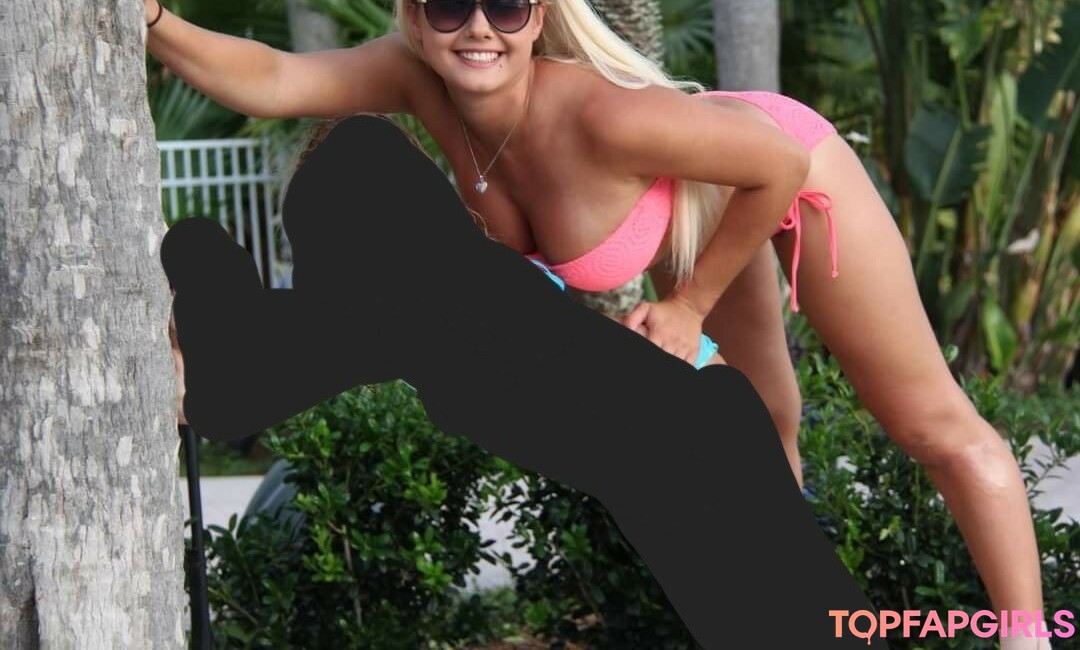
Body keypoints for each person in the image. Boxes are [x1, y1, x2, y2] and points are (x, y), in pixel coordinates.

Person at [145, 0, 1051, 643]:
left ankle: (1027, 636)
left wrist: (687, 305)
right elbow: (271, 77)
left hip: (779, 169)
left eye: (506, 5)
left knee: (933, 429)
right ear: (415, 19)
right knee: (766, 429)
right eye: (451, 5)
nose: (478, 27)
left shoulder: (603, 115)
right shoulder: (419, 79)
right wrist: (153, 20)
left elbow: (773, 165)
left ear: (539, 16)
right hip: (692, 187)